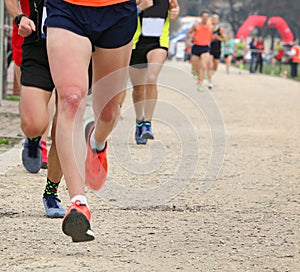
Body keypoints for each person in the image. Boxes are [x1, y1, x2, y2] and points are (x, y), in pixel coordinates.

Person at [45, 0, 153, 242]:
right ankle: (78, 203)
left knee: (108, 112)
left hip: (117, 11)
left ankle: (97, 142)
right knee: (71, 99)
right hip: (66, 8)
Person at [5, 0, 65, 218]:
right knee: (33, 124)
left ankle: (51, 193)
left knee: (65, 123)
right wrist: (19, 16)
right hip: (38, 43)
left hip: (76, 47)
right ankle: (32, 138)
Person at [5, 0, 53, 170]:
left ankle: (43, 143)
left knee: (51, 92)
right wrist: (19, 17)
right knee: (28, 89)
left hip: (63, 26)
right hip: (27, 27)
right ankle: (33, 136)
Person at [129, 0, 180, 145]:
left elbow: (175, 9)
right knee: (138, 89)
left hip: (158, 43)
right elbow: (122, 17)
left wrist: (175, 11)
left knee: (151, 78)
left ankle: (147, 124)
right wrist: (139, 8)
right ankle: (139, 121)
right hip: (136, 44)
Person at [187, 10, 212, 91]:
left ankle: (200, 83)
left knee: (203, 65)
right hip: (196, 46)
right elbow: (188, 33)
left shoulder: (210, 26)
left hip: (205, 47)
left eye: (207, 17)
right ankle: (198, 78)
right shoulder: (196, 25)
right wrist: (191, 37)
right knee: (195, 66)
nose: (205, 18)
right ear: (201, 17)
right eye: (204, 16)